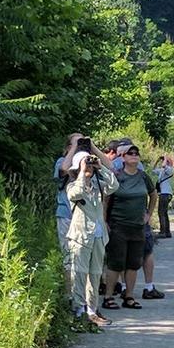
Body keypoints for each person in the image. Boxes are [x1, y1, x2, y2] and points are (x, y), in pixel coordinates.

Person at [67, 151, 119, 326]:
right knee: (80, 272)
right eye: (85, 164)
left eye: (89, 164)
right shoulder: (72, 186)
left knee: (95, 274)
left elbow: (114, 185)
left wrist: (100, 167)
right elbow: (76, 194)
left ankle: (91, 310)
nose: (88, 167)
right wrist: (82, 172)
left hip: (98, 235)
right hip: (80, 235)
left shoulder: (99, 185)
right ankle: (78, 310)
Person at [102, 145, 157, 310]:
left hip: (138, 227)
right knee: (115, 263)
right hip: (118, 226)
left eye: (136, 153)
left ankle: (129, 296)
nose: (134, 155)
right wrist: (104, 220)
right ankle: (108, 297)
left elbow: (153, 194)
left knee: (134, 263)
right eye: (130, 153)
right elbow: (106, 199)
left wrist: (149, 214)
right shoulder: (117, 176)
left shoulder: (143, 176)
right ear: (123, 158)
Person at [53, 137, 76, 294]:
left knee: (85, 259)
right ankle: (70, 296)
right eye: (77, 142)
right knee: (68, 256)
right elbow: (63, 170)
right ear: (68, 146)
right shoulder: (62, 160)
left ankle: (85, 301)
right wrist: (73, 151)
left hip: (85, 216)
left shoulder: (90, 161)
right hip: (66, 214)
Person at [141, 223, 165, 299]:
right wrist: (149, 214)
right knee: (148, 252)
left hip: (118, 221)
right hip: (140, 219)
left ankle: (124, 288)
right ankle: (149, 287)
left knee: (124, 252)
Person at [153, 154, 174, 238]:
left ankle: (163, 232)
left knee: (161, 212)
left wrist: (165, 158)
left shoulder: (169, 170)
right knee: (164, 213)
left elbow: (164, 165)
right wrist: (157, 160)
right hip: (163, 193)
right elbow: (153, 170)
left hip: (165, 193)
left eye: (164, 161)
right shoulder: (162, 171)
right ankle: (167, 231)